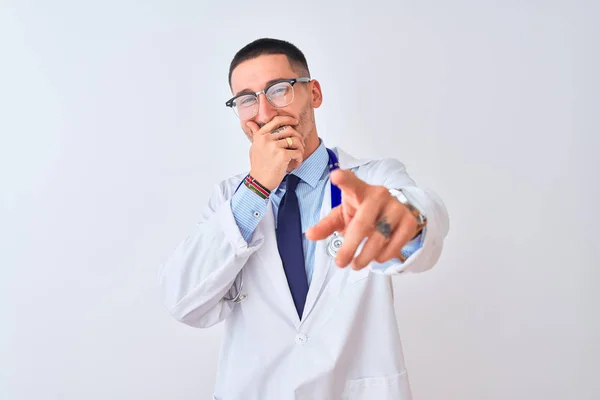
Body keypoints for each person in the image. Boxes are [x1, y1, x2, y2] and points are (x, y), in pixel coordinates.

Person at [159, 38, 450, 400]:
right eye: (247, 99)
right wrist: (258, 186)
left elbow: (426, 222)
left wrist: (405, 220)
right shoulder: (229, 199)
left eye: (279, 90)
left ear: (313, 93)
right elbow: (183, 301)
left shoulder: (370, 180)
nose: (264, 112)